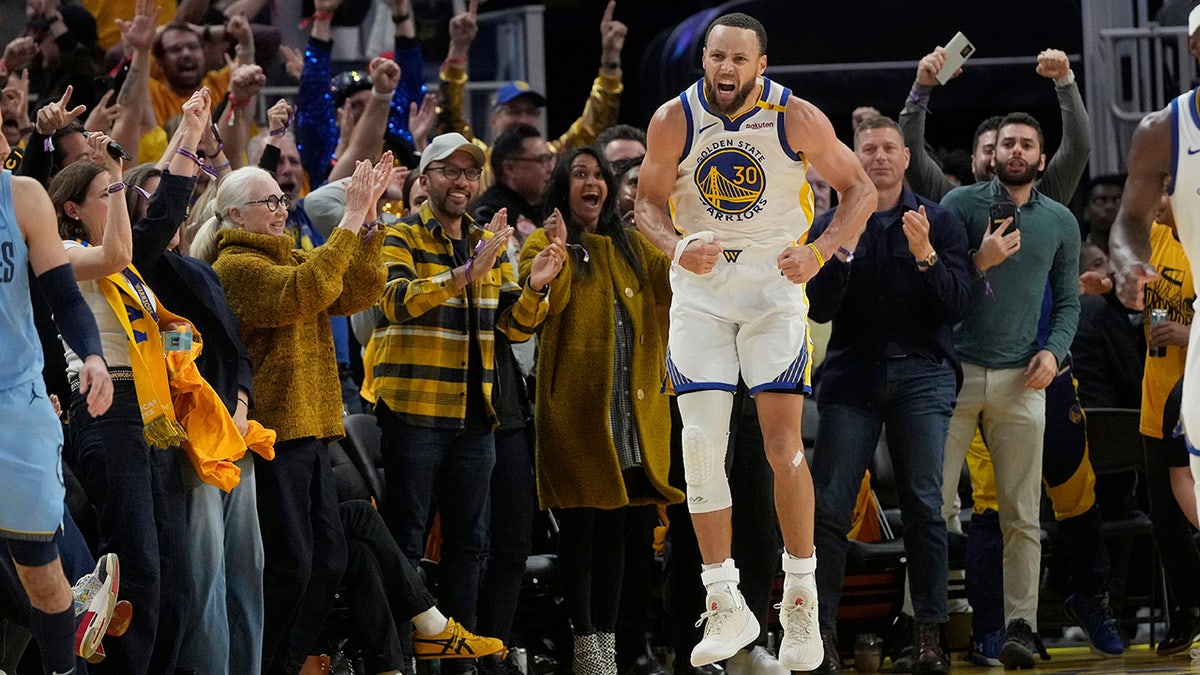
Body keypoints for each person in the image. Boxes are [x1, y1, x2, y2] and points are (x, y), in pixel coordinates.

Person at [634, 12, 875, 671]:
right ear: (704, 60)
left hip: (772, 289)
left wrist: (822, 250)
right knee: (700, 445)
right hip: (704, 295)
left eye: (739, 58)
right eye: (716, 57)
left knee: (780, 443)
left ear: (761, 64)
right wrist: (677, 245)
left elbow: (862, 189)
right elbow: (645, 208)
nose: (726, 69)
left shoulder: (796, 117)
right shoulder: (671, 120)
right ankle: (724, 598)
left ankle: (799, 599)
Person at [372, 132, 563, 674]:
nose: (460, 181)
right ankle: (400, 661)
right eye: (449, 171)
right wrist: (464, 275)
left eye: (468, 172)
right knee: (406, 541)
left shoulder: (488, 241)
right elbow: (395, 302)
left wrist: (536, 289)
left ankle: (459, 661)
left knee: (471, 546)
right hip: (414, 410)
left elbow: (515, 329)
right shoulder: (397, 234)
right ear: (424, 178)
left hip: (477, 416)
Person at [208, 159, 389, 675]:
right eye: (270, 202)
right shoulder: (235, 268)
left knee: (329, 559)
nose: (281, 209)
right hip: (274, 434)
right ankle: (267, 663)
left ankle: (283, 663)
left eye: (282, 200)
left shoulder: (293, 259)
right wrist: (350, 218)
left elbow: (357, 291)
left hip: (313, 427)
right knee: (292, 564)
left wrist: (369, 219)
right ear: (236, 215)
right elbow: (304, 291)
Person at [805, 115, 971, 675]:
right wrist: (843, 250)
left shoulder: (941, 222)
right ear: (852, 159)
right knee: (827, 511)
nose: (878, 157)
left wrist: (924, 255)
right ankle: (821, 638)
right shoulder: (827, 225)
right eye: (867, 149)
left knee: (926, 506)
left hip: (922, 375)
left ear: (905, 158)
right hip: (851, 378)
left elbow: (955, 308)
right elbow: (820, 308)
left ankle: (928, 637)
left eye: (888, 149)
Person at [518, 146, 684, 675]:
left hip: (630, 420)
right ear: (562, 188)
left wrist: (671, 226)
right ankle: (586, 648)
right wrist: (550, 268)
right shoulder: (545, 244)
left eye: (599, 175)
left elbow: (679, 280)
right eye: (580, 174)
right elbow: (535, 311)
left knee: (615, 536)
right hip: (576, 418)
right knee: (582, 535)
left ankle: (603, 653)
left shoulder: (633, 245)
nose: (592, 183)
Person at [938, 111, 1081, 669]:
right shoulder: (959, 207)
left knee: (1022, 514)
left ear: (1042, 160)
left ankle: (1022, 625)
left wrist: (1053, 350)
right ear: (992, 154)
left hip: (1025, 376)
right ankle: (922, 624)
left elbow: (1068, 302)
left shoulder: (1061, 222)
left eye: (1027, 145)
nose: (1016, 151)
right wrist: (982, 260)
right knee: (932, 506)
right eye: (1008, 144)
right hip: (955, 371)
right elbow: (942, 291)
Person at [50, 134, 192, 675]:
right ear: (72, 210)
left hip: (152, 411)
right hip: (106, 406)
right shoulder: (65, 256)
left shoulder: (130, 274)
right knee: (137, 567)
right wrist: (112, 167)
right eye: (105, 196)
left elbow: (132, 262)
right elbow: (116, 250)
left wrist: (189, 130)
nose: (117, 200)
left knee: (176, 572)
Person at [0, 156, 117, 674]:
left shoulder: (22, 197)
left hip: (14, 403)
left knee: (43, 579)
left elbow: (65, 299)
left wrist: (92, 356)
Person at [1108, 49, 1200, 641]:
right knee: (1167, 519)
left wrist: (1190, 331)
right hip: (1158, 390)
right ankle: (1186, 613)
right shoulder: (1155, 241)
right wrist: (1119, 279)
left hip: (1192, 383)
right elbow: (1144, 294)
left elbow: (1183, 314)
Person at [438, 0, 626, 186]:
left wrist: (610, 60)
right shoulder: (476, 162)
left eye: (530, 112)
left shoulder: (553, 160)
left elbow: (596, 125)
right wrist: (458, 49)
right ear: (493, 119)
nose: (523, 119)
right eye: (514, 110)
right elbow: (449, 117)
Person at [901, 46, 1089, 204]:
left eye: (1024, 145)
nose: (1001, 157)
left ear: (1040, 161)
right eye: (992, 149)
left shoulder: (1047, 197)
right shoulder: (953, 201)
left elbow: (1078, 147)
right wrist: (921, 87)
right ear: (973, 162)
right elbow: (910, 152)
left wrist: (1065, 81)